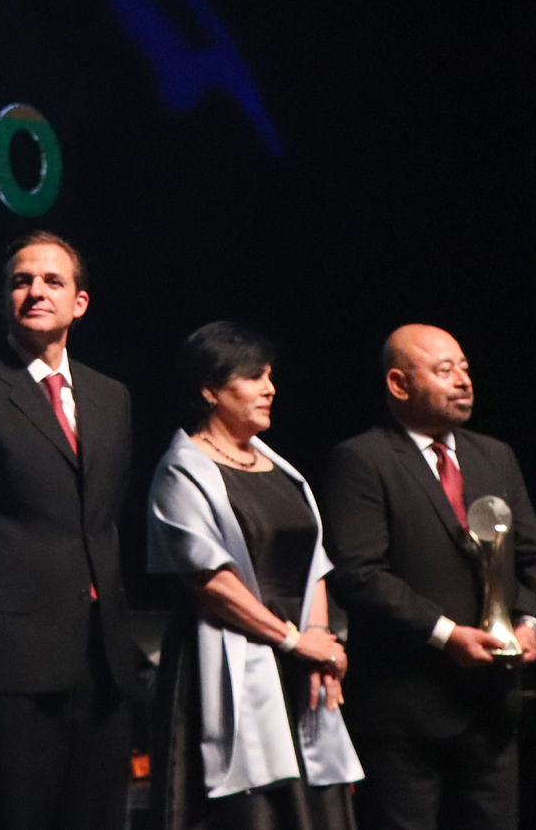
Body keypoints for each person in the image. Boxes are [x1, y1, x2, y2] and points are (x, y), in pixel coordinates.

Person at [0, 231, 138, 829]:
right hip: (9, 663)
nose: (36, 291)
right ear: (5, 300)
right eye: (22, 281)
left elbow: (104, 520)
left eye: (52, 281)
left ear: (79, 303)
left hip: (101, 659)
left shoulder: (110, 397)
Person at [320, 325, 536, 830]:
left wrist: (529, 625)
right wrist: (447, 634)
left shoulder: (495, 455)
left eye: (465, 368)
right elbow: (360, 574)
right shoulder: (363, 459)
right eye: (444, 370)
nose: (463, 381)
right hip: (406, 711)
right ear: (399, 383)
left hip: (490, 708)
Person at [148, 321, 363, 830]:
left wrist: (317, 638)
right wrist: (292, 640)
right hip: (229, 650)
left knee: (315, 803)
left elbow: (313, 561)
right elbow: (211, 581)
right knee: (251, 811)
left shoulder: (277, 466)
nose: (270, 389)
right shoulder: (182, 469)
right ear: (210, 390)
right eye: (253, 377)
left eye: (270, 376)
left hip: (298, 655)